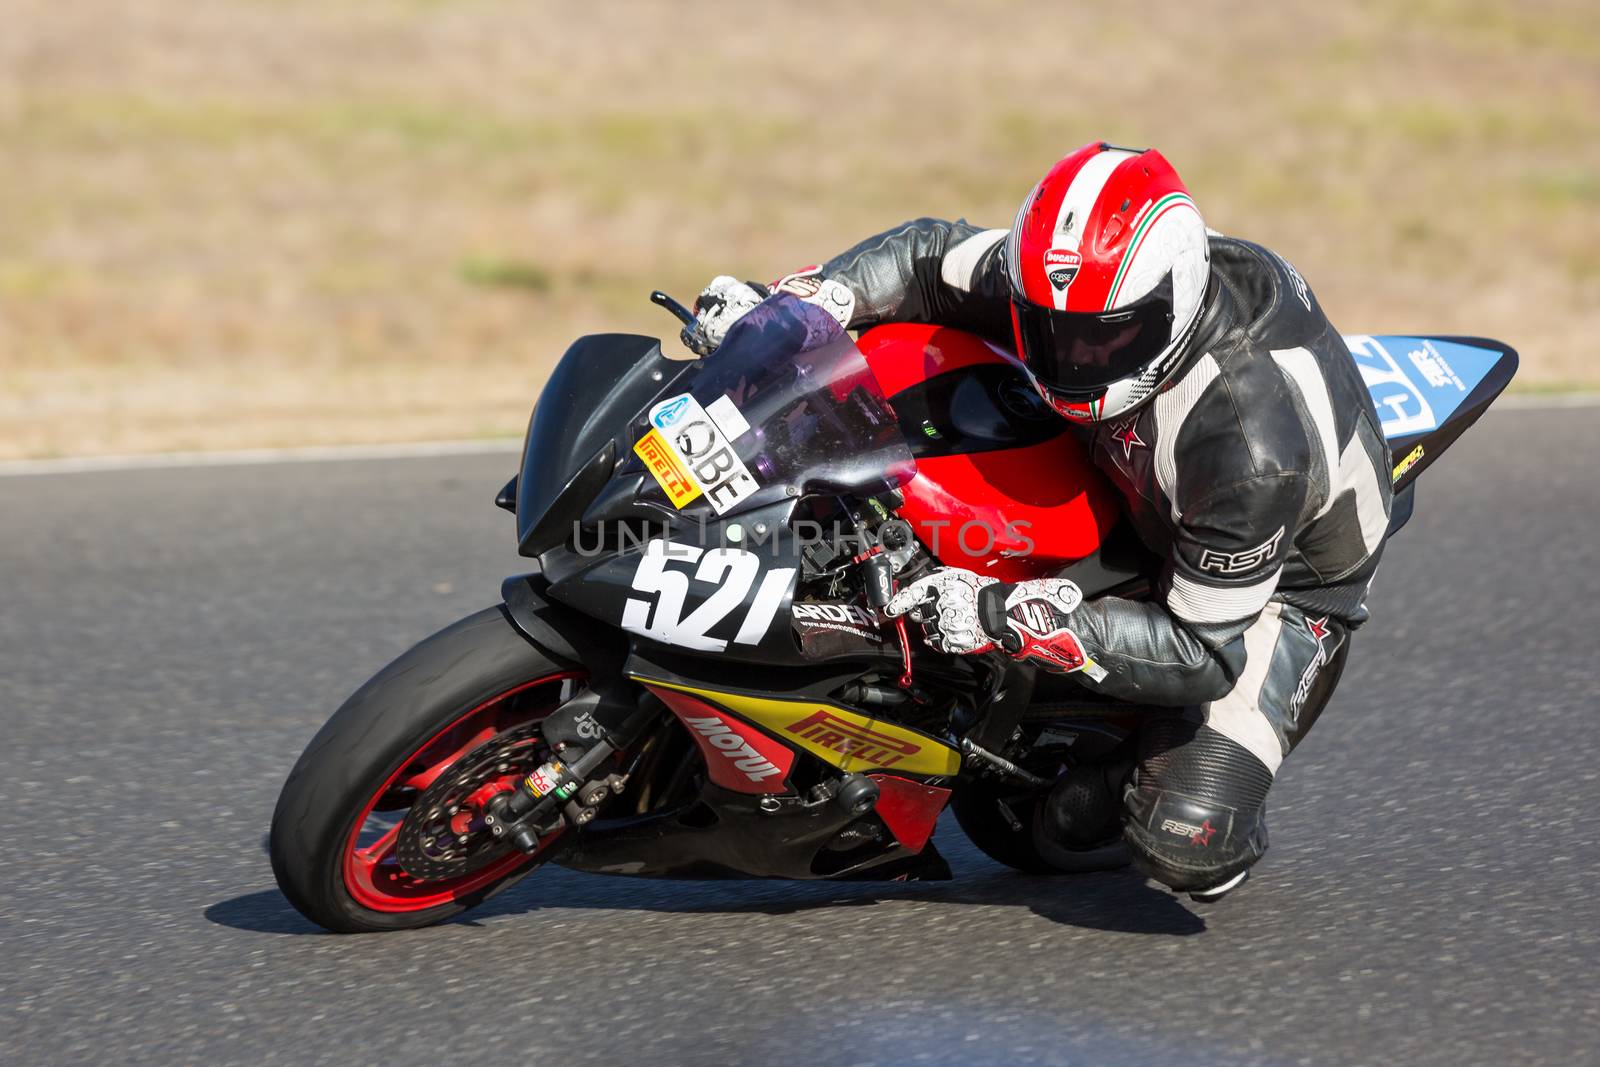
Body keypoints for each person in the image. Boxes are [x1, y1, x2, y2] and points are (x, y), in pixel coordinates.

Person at [688, 141, 1393, 902]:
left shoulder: (1250, 450)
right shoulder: (1071, 288)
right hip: (1125, 463)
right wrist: (804, 307)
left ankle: (1193, 788)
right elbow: (929, 256)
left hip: (1277, 587)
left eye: (1104, 336)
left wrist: (1004, 615)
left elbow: (1199, 648)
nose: (1071, 355)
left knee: (1183, 841)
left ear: (1172, 306)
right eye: (1047, 327)